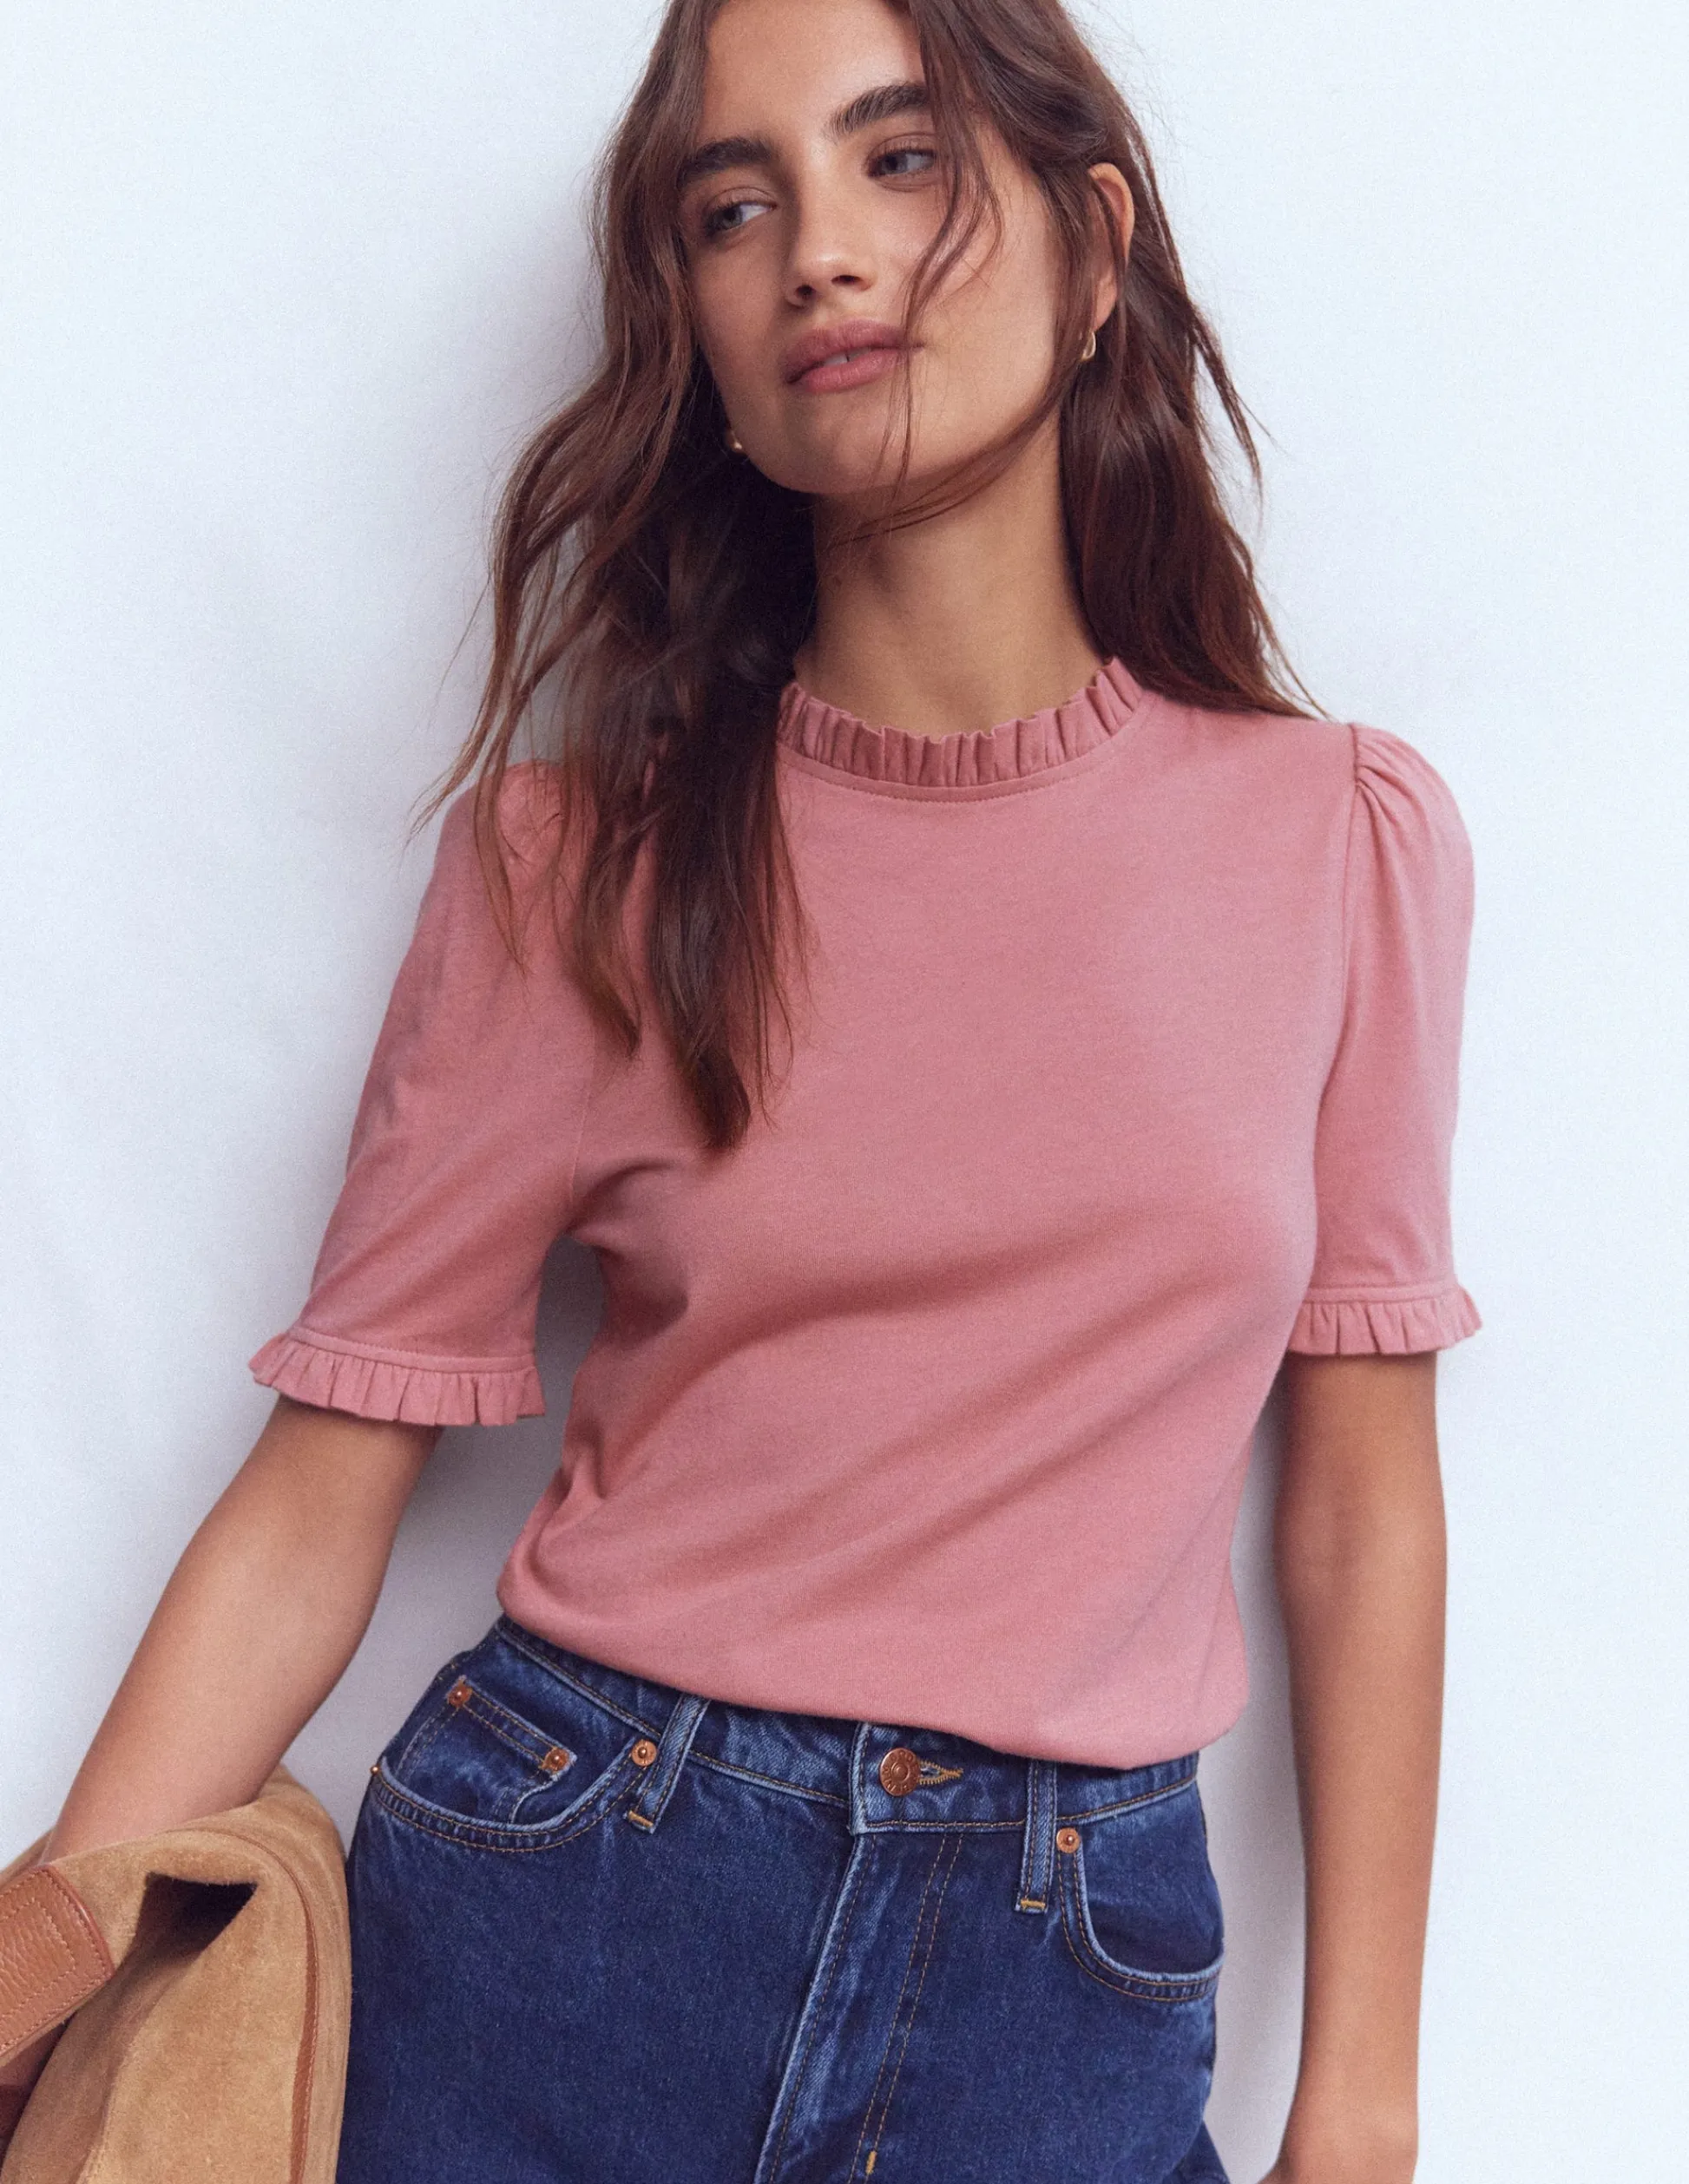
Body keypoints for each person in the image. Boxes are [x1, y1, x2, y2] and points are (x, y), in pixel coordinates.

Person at [10, 0, 1480, 2177]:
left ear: (1094, 250)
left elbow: (1360, 1498)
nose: (820, 250)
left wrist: (1358, 2103)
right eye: (734, 205)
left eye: (902, 158)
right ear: (694, 328)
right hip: (566, 1904)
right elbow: (323, 1487)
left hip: (1061, 1983)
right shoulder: (573, 867)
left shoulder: (1338, 846)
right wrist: (37, 1955)